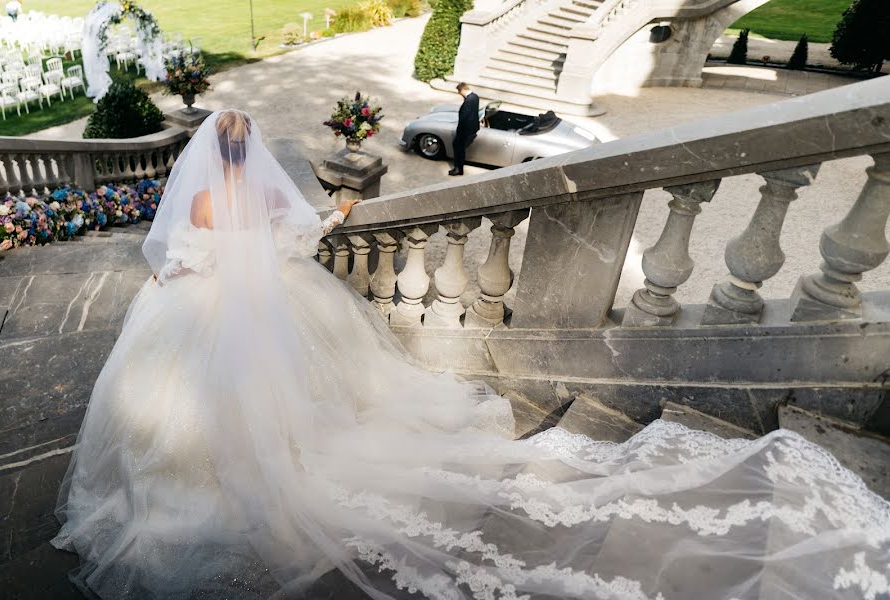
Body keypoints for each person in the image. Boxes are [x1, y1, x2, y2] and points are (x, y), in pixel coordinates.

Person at [52, 109, 890, 600]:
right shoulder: (261, 192)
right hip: (273, 307)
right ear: (252, 154)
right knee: (319, 387)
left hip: (204, 314)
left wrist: (174, 279)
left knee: (187, 407)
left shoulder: (198, 197)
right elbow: (290, 244)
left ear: (207, 155)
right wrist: (335, 219)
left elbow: (185, 257)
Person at [449, 82, 479, 176]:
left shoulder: (468, 101)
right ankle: (458, 168)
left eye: (459, 91)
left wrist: (459, 131)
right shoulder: (475, 96)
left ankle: (458, 168)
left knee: (458, 148)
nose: (459, 93)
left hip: (465, 130)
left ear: (463, 89)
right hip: (472, 128)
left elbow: (464, 118)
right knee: (459, 147)